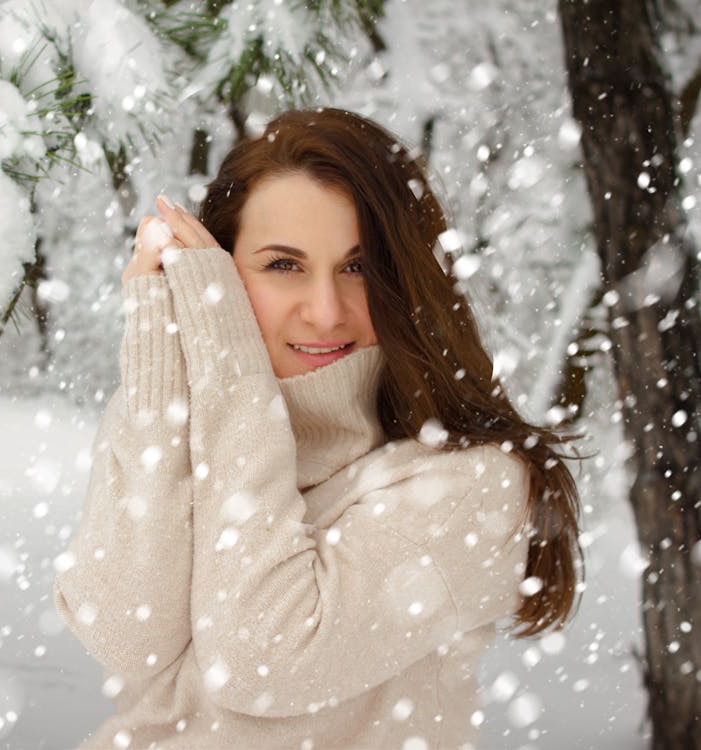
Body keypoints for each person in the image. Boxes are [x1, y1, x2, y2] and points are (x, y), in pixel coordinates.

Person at [53, 108, 582, 750]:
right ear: (221, 273)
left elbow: (260, 665)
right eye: (283, 265)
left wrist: (230, 370)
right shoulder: (171, 421)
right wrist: (160, 364)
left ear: (404, 281)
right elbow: (127, 637)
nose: (326, 310)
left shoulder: (473, 483)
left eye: (358, 267)